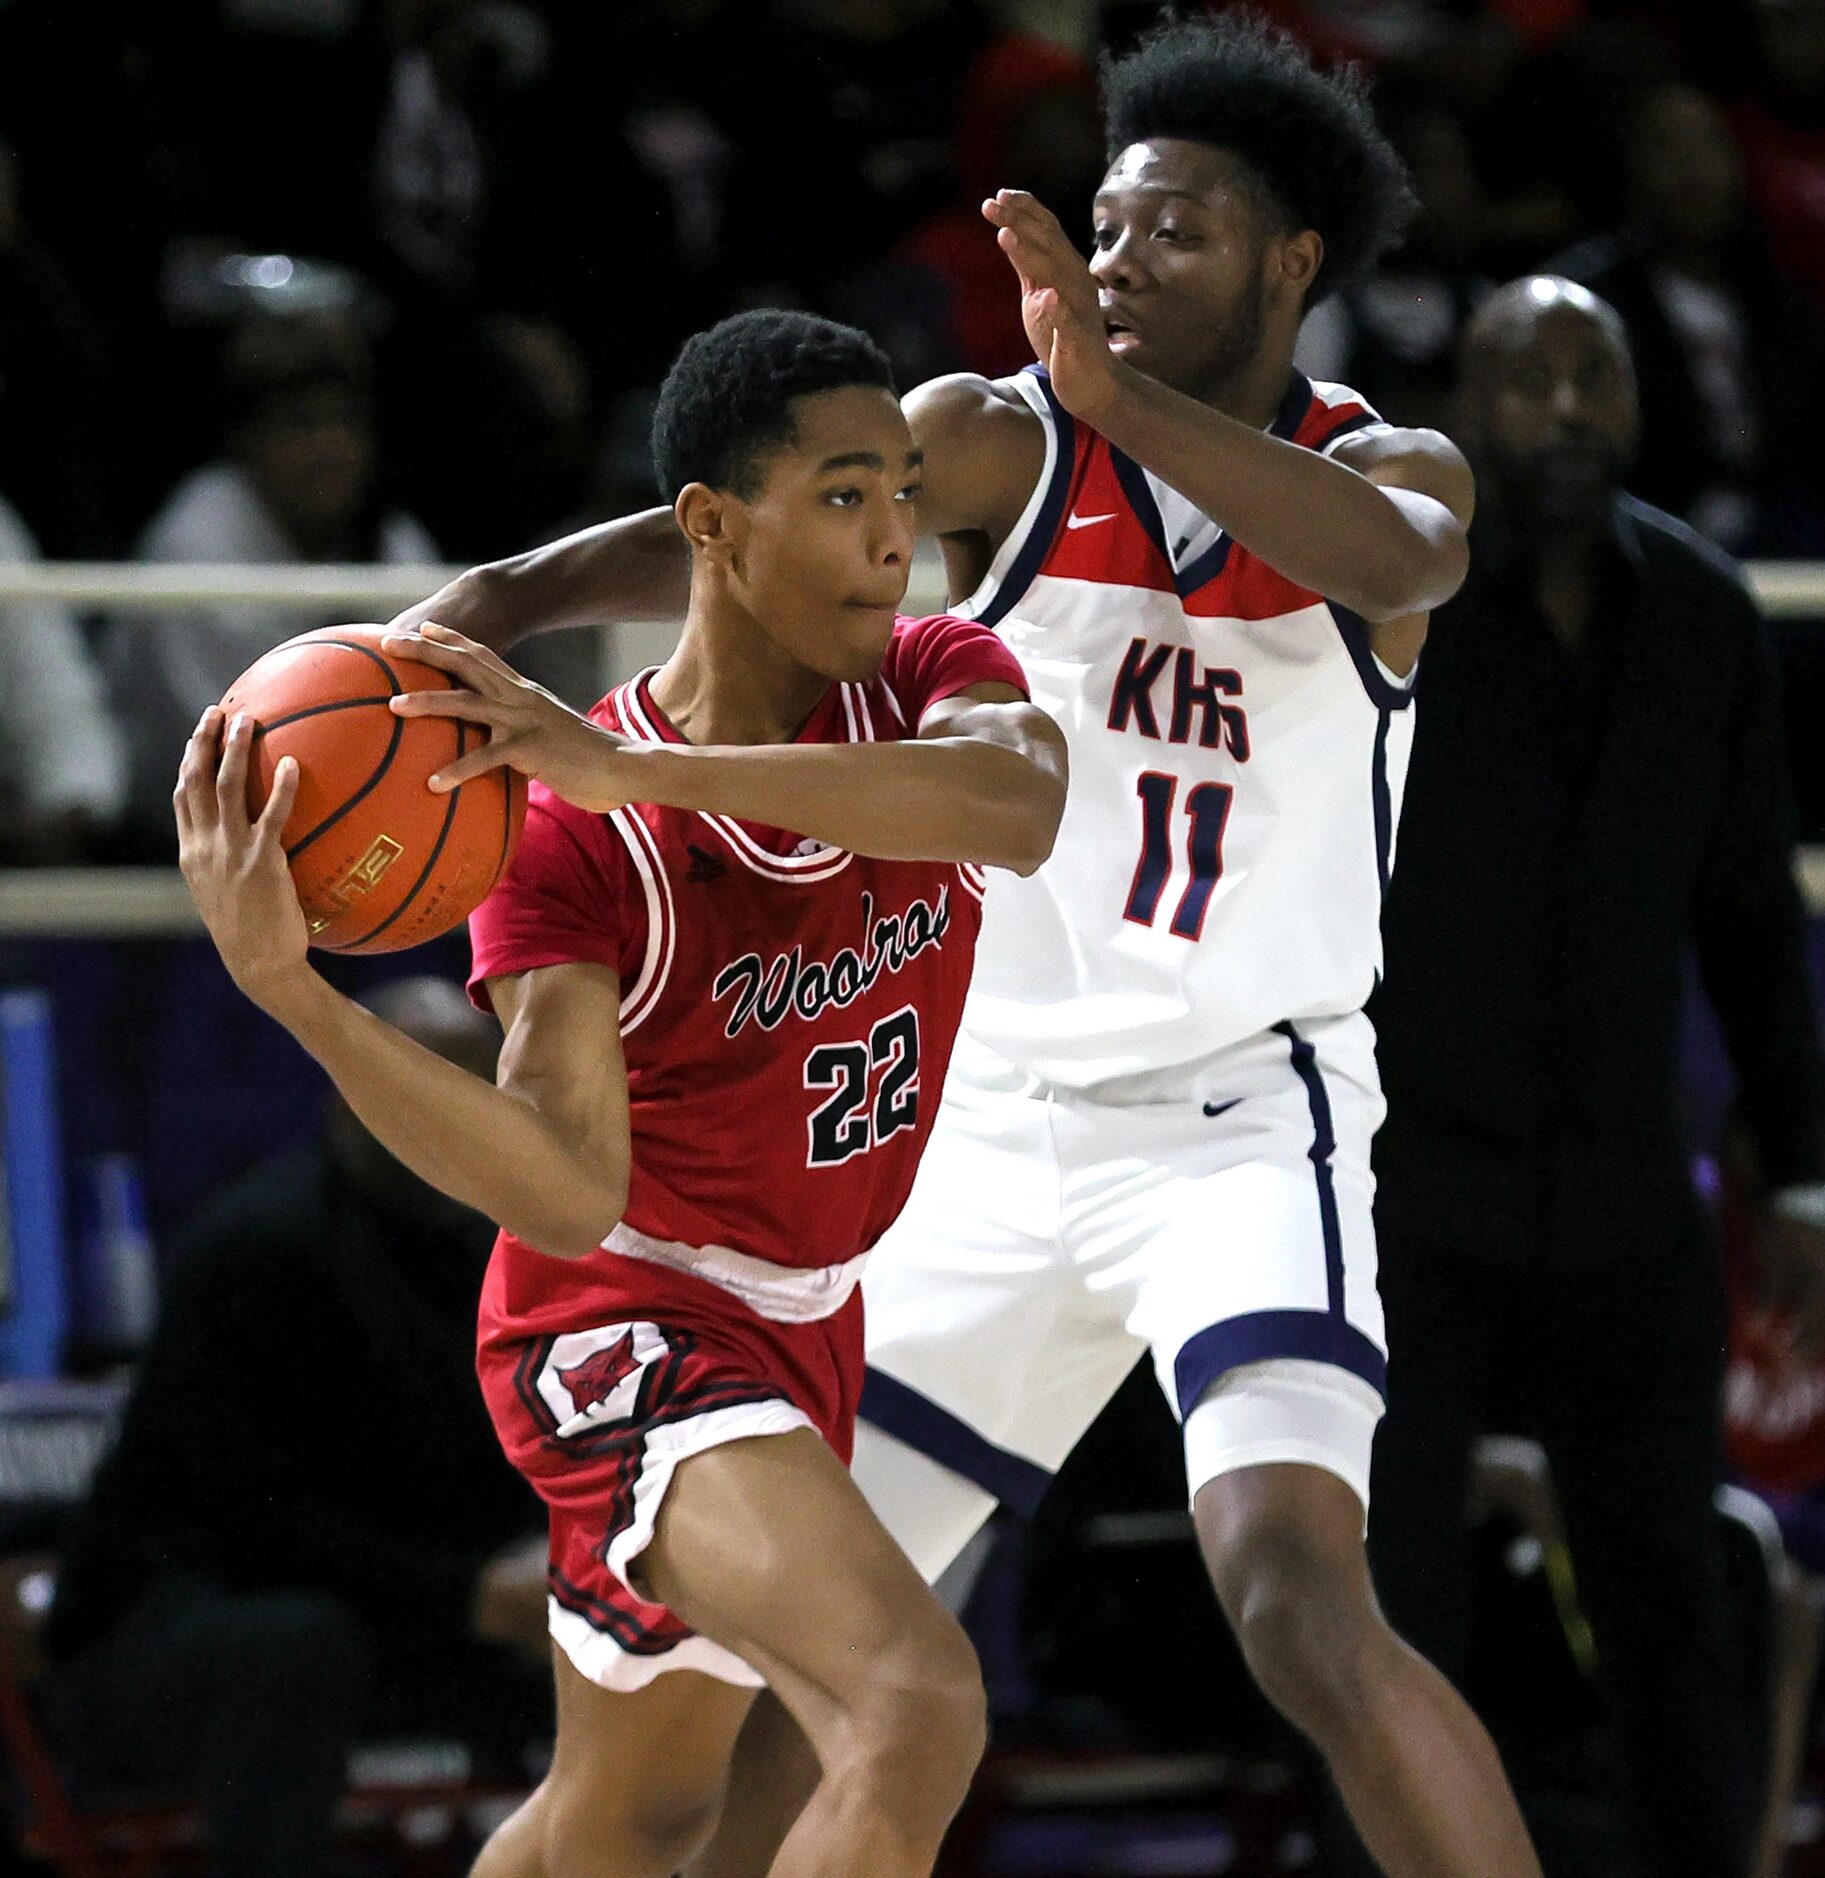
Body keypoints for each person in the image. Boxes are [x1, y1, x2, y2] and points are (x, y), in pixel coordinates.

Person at [394, 17, 1544, 1875]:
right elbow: (748, 531)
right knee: (796, 1684)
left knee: (1293, 1592)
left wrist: (1126, 398)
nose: (1120, 260)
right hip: (983, 1126)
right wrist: (503, 597)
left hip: (1242, 1117)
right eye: (1106, 222)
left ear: (1293, 261)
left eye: (1176, 229)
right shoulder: (998, 447)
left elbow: (1408, 569)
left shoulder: (1384, 472)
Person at [177, 308, 1068, 1878]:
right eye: (849, 495)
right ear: (713, 529)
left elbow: (1019, 803)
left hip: (808, 1312)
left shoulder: (930, 679)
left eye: (908, 498)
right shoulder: (567, 835)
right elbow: (564, 1183)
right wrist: (290, 994)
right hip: (624, 1323)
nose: (895, 543)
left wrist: (625, 738)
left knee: (630, 1817)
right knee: (911, 1702)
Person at [1347, 273, 1825, 1878]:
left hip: (1631, 1196)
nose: (1565, 409)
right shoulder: (1378, 612)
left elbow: (1755, 913)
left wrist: (1803, 1164)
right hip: (1413, 1194)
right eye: (1528, 377)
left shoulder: (1699, 615)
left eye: (1594, 376)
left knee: (1669, 1620)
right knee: (1386, 1628)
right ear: (1462, 409)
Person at [41, 978, 551, 1878]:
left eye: (473, 1092)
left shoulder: (499, 1253)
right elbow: (247, 1522)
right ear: (352, 1087)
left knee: (629, 1624)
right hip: (170, 1634)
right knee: (297, 1644)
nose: (449, 1116)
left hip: (391, 1616)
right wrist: (467, 1589)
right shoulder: (257, 1249)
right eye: (422, 1084)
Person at [106, 308, 439, 849]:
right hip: (172, 843)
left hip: (333, 828)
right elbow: (236, 754)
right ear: (247, 438)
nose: (329, 448)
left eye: (345, 422)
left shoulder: (392, 538)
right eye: (302, 424)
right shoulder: (194, 541)